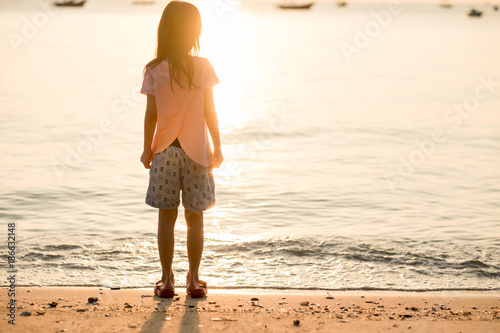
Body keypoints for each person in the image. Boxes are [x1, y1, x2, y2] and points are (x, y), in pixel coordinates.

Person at [140, 1, 223, 299]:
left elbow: (152, 115)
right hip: (196, 154)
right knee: (195, 217)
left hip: (164, 152)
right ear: (194, 32)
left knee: (166, 217)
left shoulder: (153, 69)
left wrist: (146, 150)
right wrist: (218, 147)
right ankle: (194, 279)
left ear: (165, 31)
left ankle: (166, 280)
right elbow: (209, 112)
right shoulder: (202, 67)